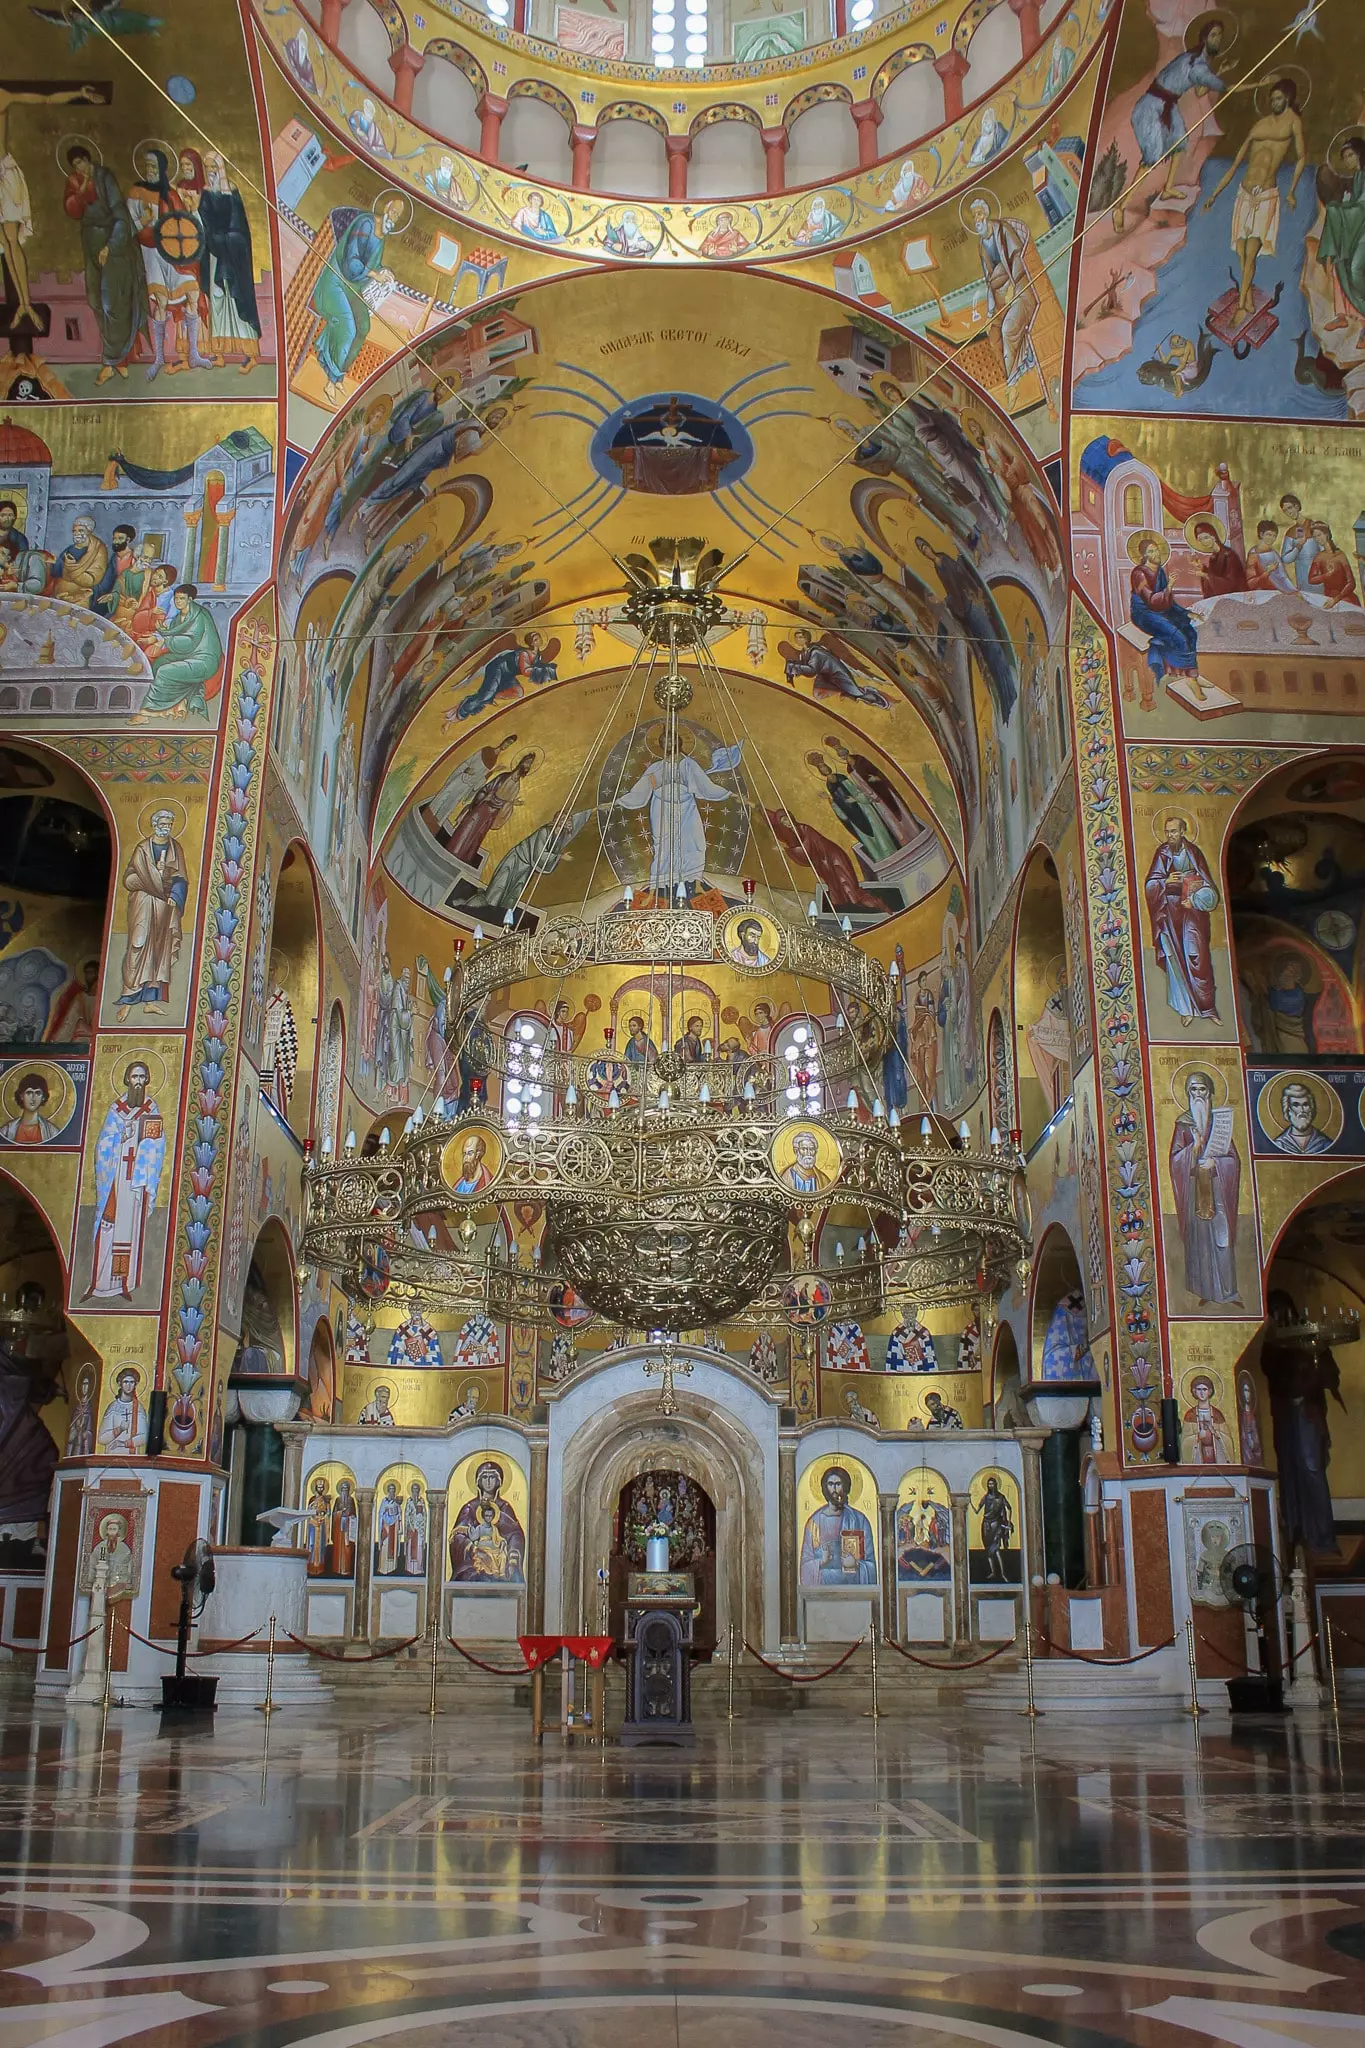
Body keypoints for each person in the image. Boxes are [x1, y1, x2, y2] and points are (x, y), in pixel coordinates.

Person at [1202, 77, 1305, 326]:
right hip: (1244, 194)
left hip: (1266, 195)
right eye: (1272, 98)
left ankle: (1241, 306)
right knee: (1240, 249)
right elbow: (1236, 163)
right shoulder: (1260, 125)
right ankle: (1247, 295)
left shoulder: (1293, 122)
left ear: (1288, 99)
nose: (1274, 102)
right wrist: (1214, 194)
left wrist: (1291, 191)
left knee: (1250, 252)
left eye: (1279, 98)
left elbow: (1301, 157)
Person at [63, 142, 148, 381]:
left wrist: (110, 246)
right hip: (90, 245)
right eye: (75, 165)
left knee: (113, 304)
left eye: (81, 162)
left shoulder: (104, 177)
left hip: (115, 247)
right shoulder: (74, 182)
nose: (79, 168)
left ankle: (112, 362)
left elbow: (121, 215)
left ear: (88, 159)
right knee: (96, 301)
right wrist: (79, 190)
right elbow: (72, 210)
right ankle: (118, 358)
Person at [618, 729, 739, 897]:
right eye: (665, 742)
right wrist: (618, 802)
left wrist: (730, 794)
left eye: (672, 741)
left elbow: (706, 786)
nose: (669, 744)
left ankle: (697, 883)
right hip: (662, 807)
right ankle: (654, 891)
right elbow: (640, 791)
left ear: (679, 742)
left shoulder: (689, 764)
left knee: (695, 840)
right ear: (661, 746)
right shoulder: (656, 767)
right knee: (662, 845)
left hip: (686, 807)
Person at [84, 1060, 164, 1301]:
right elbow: (103, 1144)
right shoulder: (115, 1109)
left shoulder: (151, 1108)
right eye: (134, 1076)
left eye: (142, 1077)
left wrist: (141, 1145)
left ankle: (124, 1283)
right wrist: (121, 1135)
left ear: (147, 1080)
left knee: (131, 1231)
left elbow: (157, 1144)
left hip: (137, 1182)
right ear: (127, 1080)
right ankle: (99, 1282)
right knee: (110, 1225)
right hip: (115, 1179)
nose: (138, 1081)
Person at [1129, 15, 1231, 204]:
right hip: (1152, 105)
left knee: (1180, 141)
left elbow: (1200, 91)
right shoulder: (1195, 62)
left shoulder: (1198, 62)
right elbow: (1221, 86)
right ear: (1204, 38)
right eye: (1214, 35)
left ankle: (1168, 189)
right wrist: (1247, 85)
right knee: (1152, 156)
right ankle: (1121, 206)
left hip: (1168, 104)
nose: (1217, 39)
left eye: (1220, 36)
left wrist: (1221, 70)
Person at [310, 197, 403, 402]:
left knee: (363, 327)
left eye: (398, 216)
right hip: (335, 281)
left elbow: (373, 265)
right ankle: (329, 383)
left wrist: (383, 272)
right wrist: (374, 274)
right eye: (394, 212)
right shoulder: (366, 223)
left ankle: (338, 376)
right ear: (386, 207)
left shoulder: (382, 237)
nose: (394, 219)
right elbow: (351, 262)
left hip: (352, 287)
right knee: (348, 327)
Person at [1169, 1070, 1241, 1306]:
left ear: (1210, 1093)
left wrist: (1217, 1163)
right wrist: (1194, 1148)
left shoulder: (1219, 1122)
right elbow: (1174, 1159)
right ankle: (1205, 1291)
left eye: (1202, 1090)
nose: (1198, 1094)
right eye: (1194, 1090)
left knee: (1222, 1238)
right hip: (1194, 1192)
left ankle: (1229, 1292)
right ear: (1188, 1094)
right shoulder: (1183, 1124)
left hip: (1217, 1189)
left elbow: (1233, 1159)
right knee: (1200, 1241)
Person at [1144, 815, 1220, 1025]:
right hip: (1169, 911)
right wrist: (1165, 881)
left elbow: (1207, 882)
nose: (1170, 835)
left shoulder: (1194, 852)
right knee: (1174, 957)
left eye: (1174, 831)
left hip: (1192, 912)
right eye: (1167, 831)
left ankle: (1208, 1008)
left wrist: (1196, 895)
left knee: (1197, 955)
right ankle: (1186, 1009)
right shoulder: (1162, 853)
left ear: (1183, 831)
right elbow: (1151, 883)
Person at [118, 808, 189, 1018]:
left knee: (160, 951)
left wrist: (175, 896)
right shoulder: (142, 849)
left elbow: (181, 879)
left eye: (169, 824)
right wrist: (152, 882)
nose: (167, 827)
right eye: (164, 823)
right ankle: (128, 999)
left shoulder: (176, 849)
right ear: (155, 824)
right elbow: (129, 879)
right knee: (138, 945)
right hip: (144, 904)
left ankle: (150, 1000)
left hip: (164, 907)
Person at [199, 152, 262, 371]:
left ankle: (250, 354)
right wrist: (212, 239)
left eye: (213, 168)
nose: (210, 173)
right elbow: (203, 221)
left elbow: (239, 228)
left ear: (221, 169)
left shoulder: (231, 192)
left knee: (237, 301)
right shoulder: (206, 193)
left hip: (235, 259)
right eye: (207, 168)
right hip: (215, 255)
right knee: (217, 299)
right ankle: (218, 352)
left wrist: (225, 240)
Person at [1129, 534, 1201, 695]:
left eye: (1157, 550)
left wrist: (1186, 614)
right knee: (1178, 637)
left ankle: (1191, 673)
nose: (1157, 554)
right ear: (1145, 555)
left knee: (1191, 632)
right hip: (1144, 614)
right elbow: (1151, 601)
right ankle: (1191, 679)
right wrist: (1168, 587)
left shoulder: (1160, 571)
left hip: (1161, 610)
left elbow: (1168, 602)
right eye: (1152, 551)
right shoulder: (1139, 574)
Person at [143, 584, 223, 716]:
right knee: (159, 663)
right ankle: (176, 704)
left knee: (164, 672)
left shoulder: (199, 616)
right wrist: (165, 633)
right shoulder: (177, 618)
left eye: (182, 598)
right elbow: (178, 646)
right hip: (189, 656)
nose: (178, 601)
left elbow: (188, 643)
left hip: (204, 660)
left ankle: (152, 708)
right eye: (176, 598)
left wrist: (165, 635)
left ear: (190, 599)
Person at [1318, 131, 1365, 337]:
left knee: (1355, 270)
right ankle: (1344, 314)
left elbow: (1362, 208)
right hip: (1356, 229)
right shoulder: (1357, 177)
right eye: (1344, 158)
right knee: (1340, 263)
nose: (1347, 161)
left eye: (1350, 156)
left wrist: (1338, 210)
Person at [449, 1459, 526, 1582]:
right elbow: (457, 1535)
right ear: (478, 1482)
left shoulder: (504, 1507)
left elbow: (515, 1534)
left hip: (499, 1557)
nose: (488, 1481)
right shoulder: (470, 1507)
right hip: (475, 1560)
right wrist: (472, 1549)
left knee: (511, 1576)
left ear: (499, 1482)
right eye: (484, 1477)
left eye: (492, 1477)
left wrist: (512, 1555)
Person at [800, 1465, 876, 1585]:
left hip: (853, 1591)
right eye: (830, 1484)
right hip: (821, 1591)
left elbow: (871, 1566)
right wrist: (821, 1562)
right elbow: (804, 1567)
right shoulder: (814, 1522)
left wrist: (856, 1564)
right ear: (825, 1488)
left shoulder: (859, 1520)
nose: (834, 1489)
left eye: (838, 1484)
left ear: (846, 1487)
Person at [49, 517, 109, 607]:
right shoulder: (69, 550)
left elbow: (93, 578)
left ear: (89, 532)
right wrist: (53, 563)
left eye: (80, 531)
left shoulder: (98, 551)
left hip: (83, 594)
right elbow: (56, 572)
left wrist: (70, 568)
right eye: (74, 531)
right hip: (61, 593)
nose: (76, 534)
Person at [1040, 1289, 1093, 1379]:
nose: (1081, 1331)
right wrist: (1079, 1350)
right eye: (1076, 1326)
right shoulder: (1061, 1313)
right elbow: (1051, 1360)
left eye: (1082, 1325)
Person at [1271, 1079, 1332, 1155]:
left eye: (1305, 1105)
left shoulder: (1324, 1143)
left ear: (1311, 1108)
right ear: (1288, 1110)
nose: (1302, 1110)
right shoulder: (1280, 1143)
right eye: (1296, 1105)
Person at [1188, 517, 1247, 596]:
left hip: (1237, 597)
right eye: (1200, 540)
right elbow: (1214, 577)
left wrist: (1205, 575)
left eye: (1206, 537)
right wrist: (1202, 568)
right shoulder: (1214, 557)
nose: (1204, 542)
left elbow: (1231, 583)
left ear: (1213, 536)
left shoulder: (1229, 555)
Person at [1183, 1373, 1233, 1465]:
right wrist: (1197, 1436)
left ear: (1210, 1391)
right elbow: (1184, 1441)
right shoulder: (1190, 1415)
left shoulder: (1217, 1414)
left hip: (1216, 1456)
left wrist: (1215, 1433)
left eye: (1204, 1389)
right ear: (1194, 1391)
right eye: (1199, 1389)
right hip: (1198, 1458)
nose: (1202, 1393)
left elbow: (1228, 1440)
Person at [96, 1365, 147, 1454]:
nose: (128, 1385)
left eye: (132, 1382)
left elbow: (145, 1436)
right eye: (125, 1382)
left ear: (136, 1384)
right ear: (120, 1383)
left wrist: (124, 1443)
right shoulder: (113, 1407)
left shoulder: (138, 1407)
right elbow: (101, 1439)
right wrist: (119, 1429)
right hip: (111, 1456)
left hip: (132, 1458)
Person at [0, 1071, 60, 1144]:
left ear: (43, 1097)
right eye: (29, 1093)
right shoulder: (7, 1130)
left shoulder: (52, 1131)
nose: (33, 1098)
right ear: (21, 1096)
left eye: (38, 1093)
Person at [1308, 522, 1360, 605]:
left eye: (1319, 535)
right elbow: (1311, 579)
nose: (1317, 539)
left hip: (1344, 597)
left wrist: (1336, 599)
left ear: (1326, 534)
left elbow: (1351, 583)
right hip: (1328, 597)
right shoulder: (1319, 557)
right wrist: (1327, 575)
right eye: (1314, 537)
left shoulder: (1340, 555)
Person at [975, 1476, 1013, 1581]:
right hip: (986, 1525)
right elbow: (977, 1510)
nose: (990, 1485)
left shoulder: (1001, 1497)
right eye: (989, 1484)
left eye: (992, 1483)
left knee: (996, 1550)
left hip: (996, 1524)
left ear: (996, 1484)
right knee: (988, 1551)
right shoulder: (986, 1497)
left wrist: (1008, 1522)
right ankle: (993, 1572)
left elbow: (1009, 1508)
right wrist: (968, 1502)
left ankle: (1003, 1574)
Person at [782, 1129, 828, 1194]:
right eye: (804, 1149)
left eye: (811, 1149)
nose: (808, 1153)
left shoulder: (823, 1179)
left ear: (816, 1152)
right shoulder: (786, 1176)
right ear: (796, 1151)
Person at [374, 1480, 403, 1575]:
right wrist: (386, 1511)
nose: (392, 1492)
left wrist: (398, 1521)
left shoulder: (396, 1503)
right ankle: (383, 1568)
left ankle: (392, 1568)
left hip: (394, 1528)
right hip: (386, 1528)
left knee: (393, 1548)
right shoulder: (384, 1501)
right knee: (385, 1546)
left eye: (393, 1490)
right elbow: (380, 1514)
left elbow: (399, 1516)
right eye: (390, 1490)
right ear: (387, 1491)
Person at [305, 1477, 331, 1575]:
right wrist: (314, 1516)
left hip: (322, 1525)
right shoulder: (312, 1499)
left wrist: (323, 1516)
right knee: (312, 1545)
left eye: (321, 1487)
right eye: (318, 1487)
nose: (320, 1489)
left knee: (321, 1546)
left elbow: (328, 1513)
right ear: (315, 1488)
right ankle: (310, 1565)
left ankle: (320, 1567)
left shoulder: (325, 1500)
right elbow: (308, 1512)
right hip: (313, 1524)